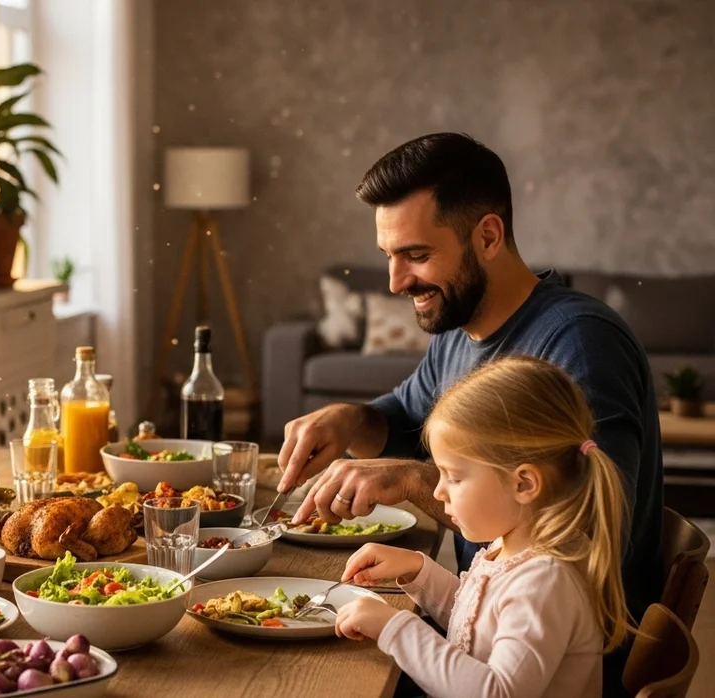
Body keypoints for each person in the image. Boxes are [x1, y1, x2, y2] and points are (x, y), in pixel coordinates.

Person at [275, 133, 661, 692]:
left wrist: (415, 478)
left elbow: (591, 531)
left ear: (487, 235)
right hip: (484, 626)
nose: (395, 282)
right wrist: (352, 418)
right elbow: (405, 417)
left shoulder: (579, 343)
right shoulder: (461, 331)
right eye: (389, 256)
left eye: (417, 255)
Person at [334, 356, 633, 697]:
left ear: (524, 484)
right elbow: (476, 632)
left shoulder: (545, 582)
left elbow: (496, 691)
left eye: (455, 477)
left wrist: (394, 627)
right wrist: (420, 571)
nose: (437, 490)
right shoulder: (513, 548)